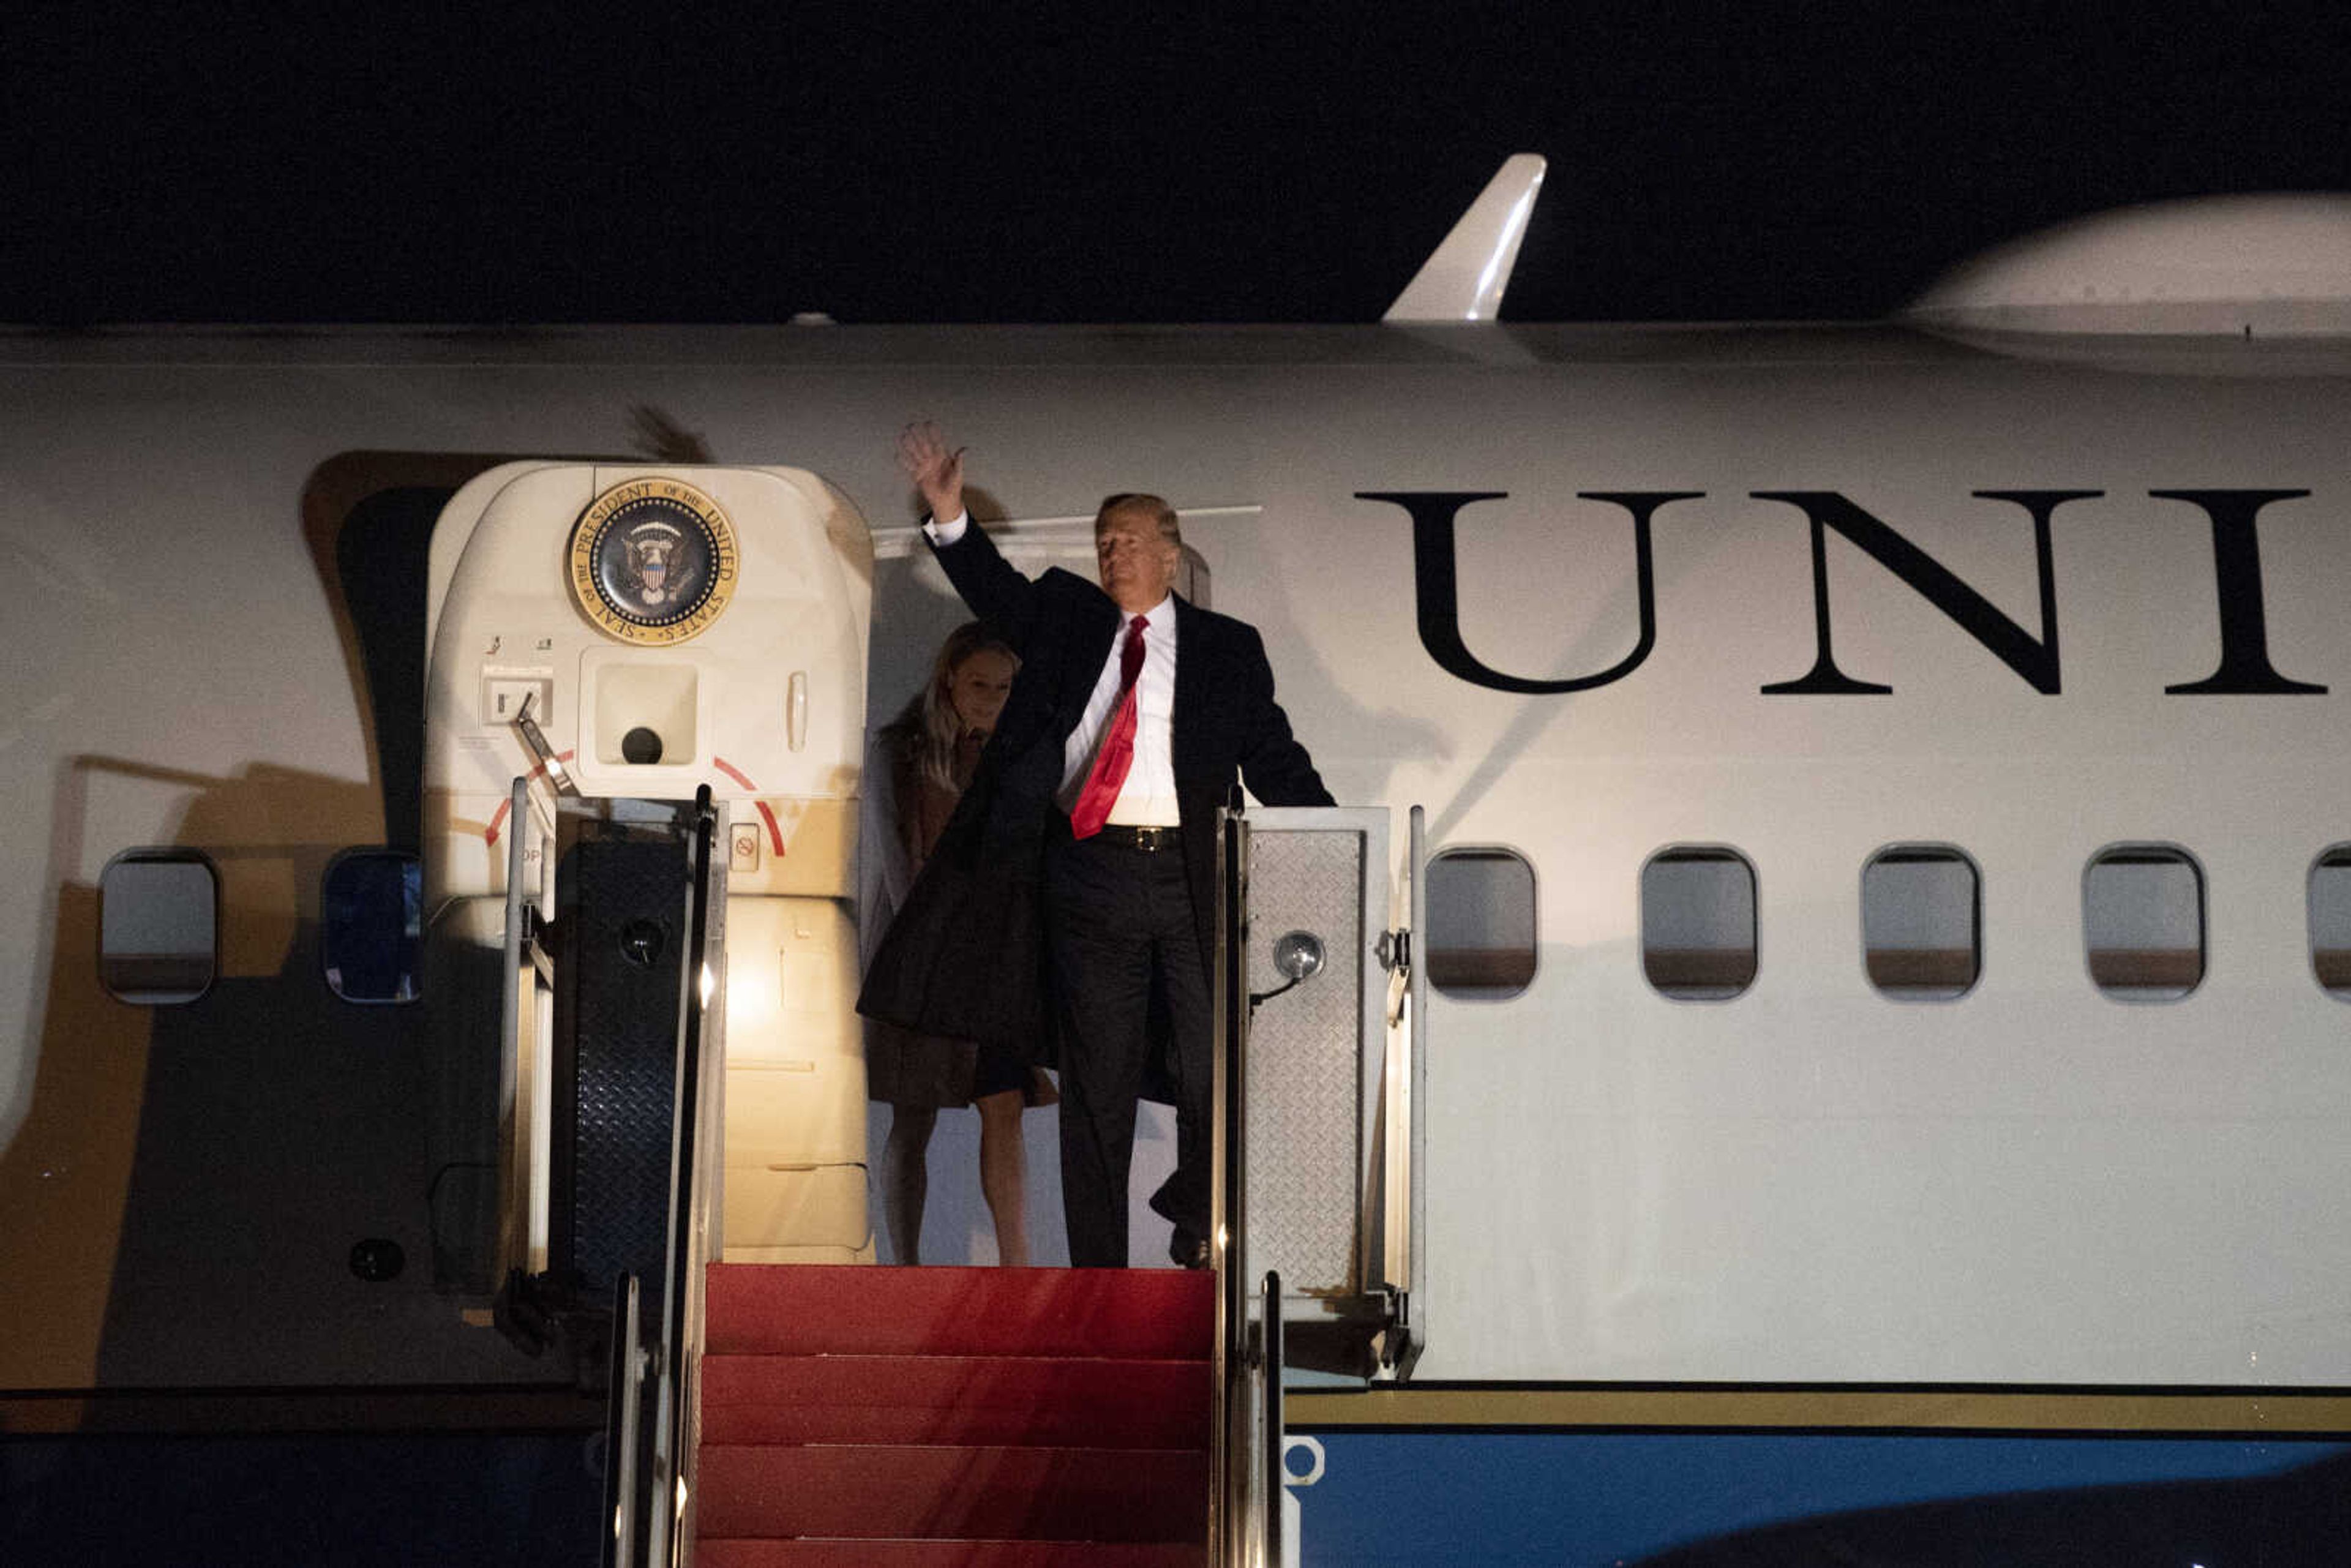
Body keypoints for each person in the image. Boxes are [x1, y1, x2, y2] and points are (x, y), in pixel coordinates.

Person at [859, 422, 1332, 1269]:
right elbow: (994, 590)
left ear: (1170, 551)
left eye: (1130, 542)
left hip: (1193, 879)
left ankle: (1198, 1225)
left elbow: (1274, 757)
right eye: (1105, 543)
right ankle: (1099, 1274)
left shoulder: (1228, 650)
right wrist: (948, 510)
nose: (1114, 556)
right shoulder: (1068, 618)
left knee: (1210, 1072)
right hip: (1090, 876)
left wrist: (1331, 839)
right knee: (1098, 1090)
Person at [862, 622, 1042, 1266]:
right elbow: (895, 861)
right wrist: (931, 946)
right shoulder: (901, 751)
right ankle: (902, 1265)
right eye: (978, 684)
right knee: (914, 1116)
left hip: (995, 958)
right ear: (949, 681)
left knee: (1003, 1103)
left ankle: (1016, 1265)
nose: (992, 697)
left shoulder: (1021, 754)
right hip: (922, 959)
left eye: (1004, 686)